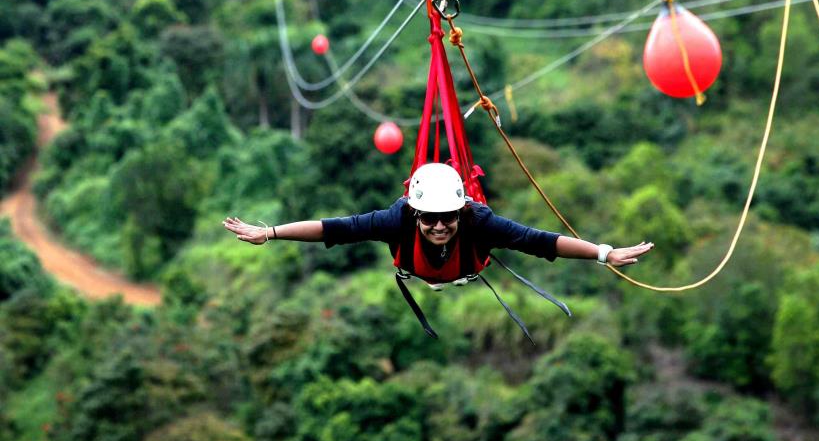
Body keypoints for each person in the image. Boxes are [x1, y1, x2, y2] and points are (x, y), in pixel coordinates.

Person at [223, 162, 653, 337]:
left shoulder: (477, 221)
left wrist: (603, 253)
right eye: (430, 218)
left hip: (467, 264)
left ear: (461, 209)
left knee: (505, 234)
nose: (440, 225)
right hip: (418, 269)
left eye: (448, 215)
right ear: (415, 214)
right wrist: (272, 233)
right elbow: (335, 229)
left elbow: (538, 241)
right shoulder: (397, 219)